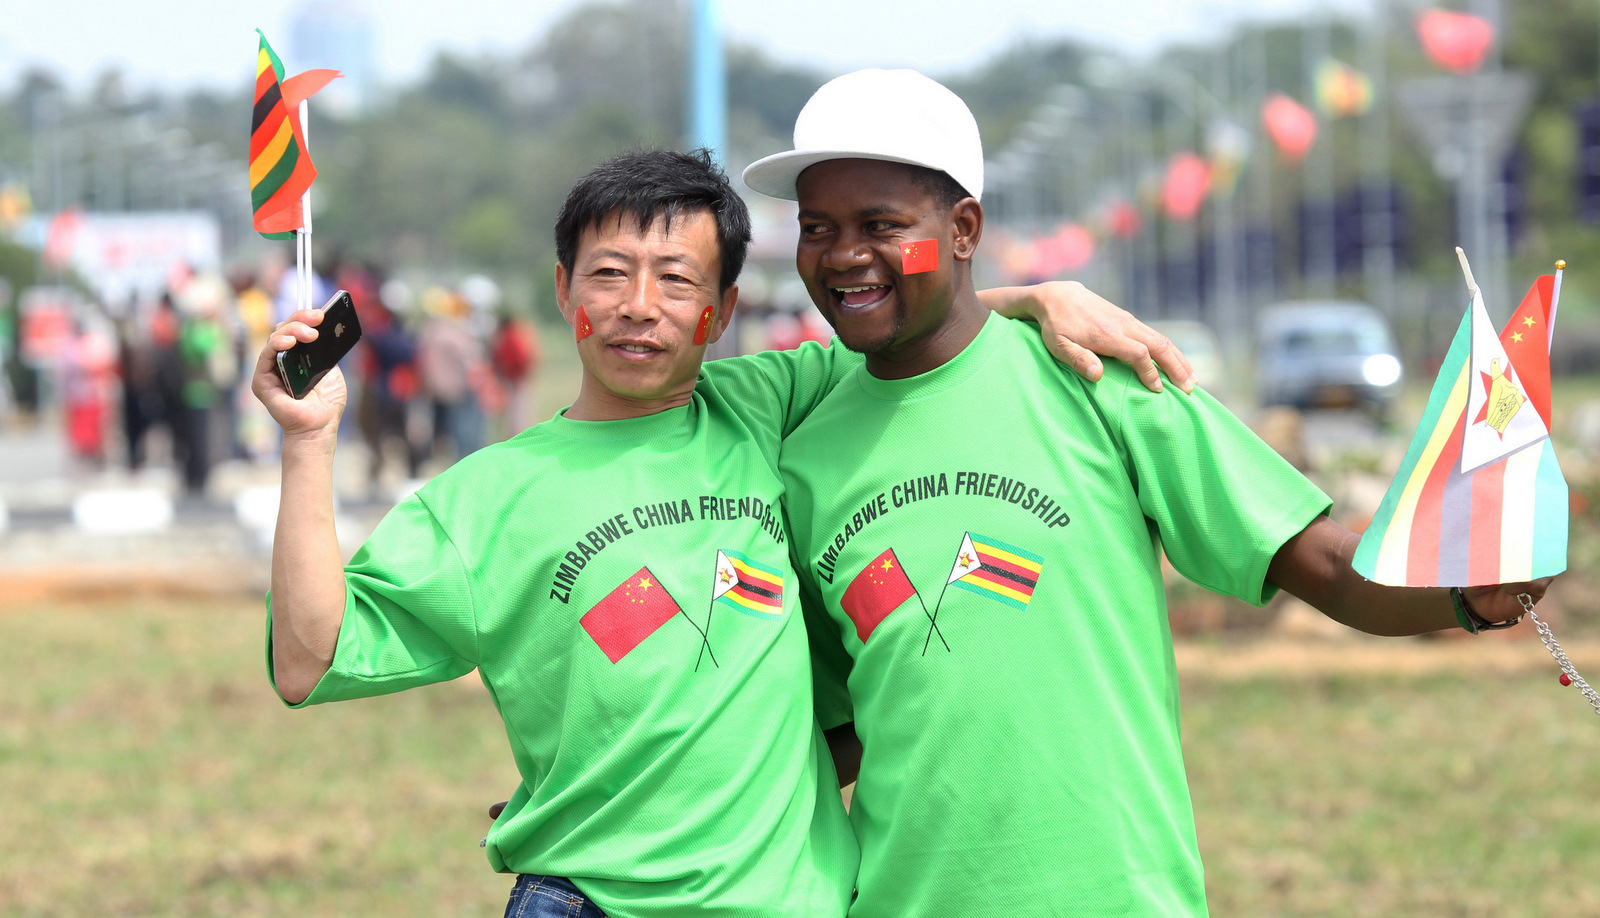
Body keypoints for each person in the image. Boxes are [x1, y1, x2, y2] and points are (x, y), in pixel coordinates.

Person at [255, 148, 1190, 917]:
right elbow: (308, 661)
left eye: (677, 281)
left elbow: (921, 322)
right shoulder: (485, 498)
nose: (638, 307)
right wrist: (309, 443)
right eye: (610, 276)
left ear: (724, 309)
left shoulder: (767, 405)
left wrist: (1035, 297)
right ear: (562, 289)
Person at [748, 68, 1555, 918]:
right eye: (817, 228)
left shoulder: (1103, 381)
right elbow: (831, 727)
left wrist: (1469, 597)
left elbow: (1321, 562)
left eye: (880, 224)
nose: (842, 254)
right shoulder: (802, 460)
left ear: (963, 228)